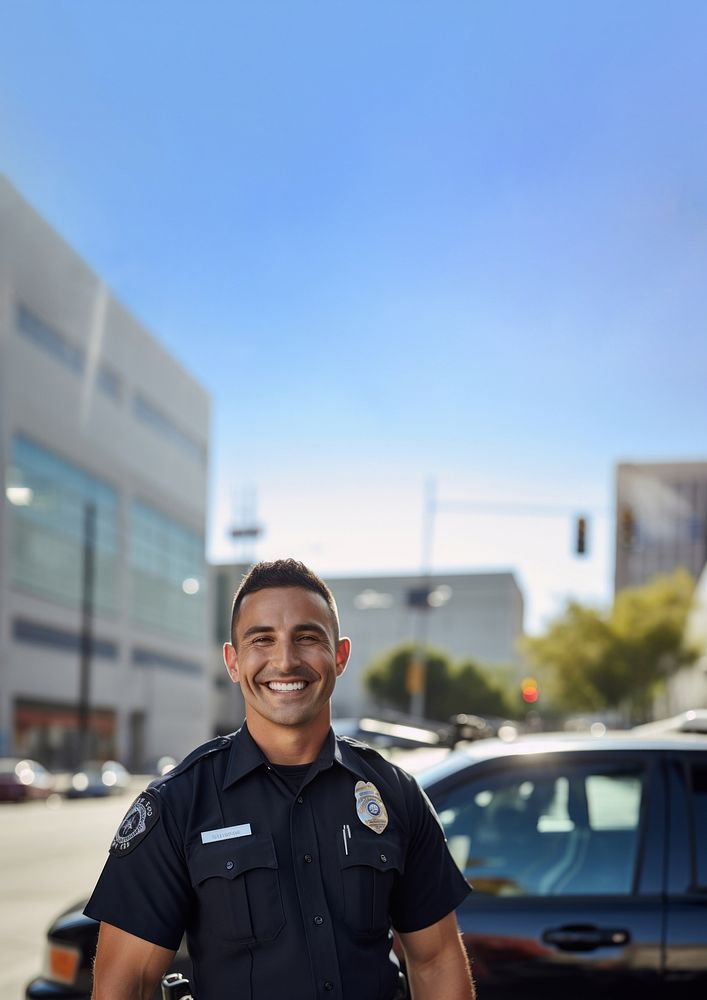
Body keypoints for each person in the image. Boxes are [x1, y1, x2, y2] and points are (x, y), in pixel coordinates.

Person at [86, 558, 475, 1000]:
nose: (285, 661)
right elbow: (125, 984)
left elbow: (436, 961)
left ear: (340, 656)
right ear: (233, 662)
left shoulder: (395, 794)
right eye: (262, 639)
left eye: (307, 638)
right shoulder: (178, 803)